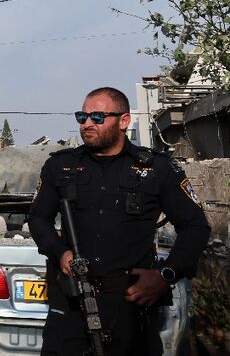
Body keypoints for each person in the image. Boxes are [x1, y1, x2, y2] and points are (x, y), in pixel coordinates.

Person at [29, 87, 210, 355]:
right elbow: (37, 218)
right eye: (83, 117)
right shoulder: (60, 167)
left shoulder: (156, 169)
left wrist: (165, 275)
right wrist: (60, 253)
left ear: (124, 121)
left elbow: (196, 226)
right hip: (72, 303)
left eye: (98, 117)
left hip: (130, 305)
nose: (88, 124)